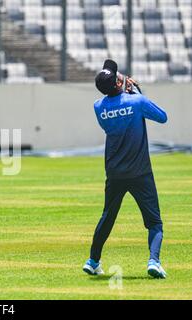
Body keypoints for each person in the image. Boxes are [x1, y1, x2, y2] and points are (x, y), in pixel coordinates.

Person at [83, 59, 168, 279]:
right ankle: (154, 261)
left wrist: (126, 92)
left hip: (114, 172)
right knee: (155, 223)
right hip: (140, 172)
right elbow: (162, 117)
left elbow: (114, 112)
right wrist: (136, 91)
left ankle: (93, 260)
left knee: (107, 217)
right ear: (119, 83)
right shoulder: (137, 101)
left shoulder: (98, 107)